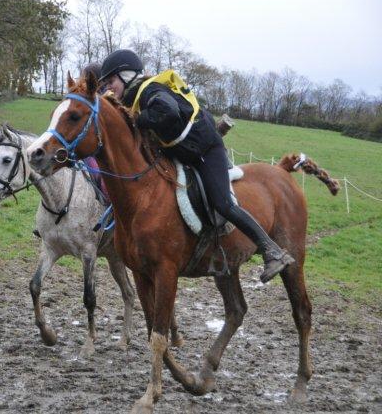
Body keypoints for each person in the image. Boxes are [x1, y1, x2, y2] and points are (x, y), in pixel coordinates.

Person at [98, 49, 294, 282]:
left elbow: (168, 112)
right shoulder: (134, 99)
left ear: (127, 75)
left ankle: (271, 249)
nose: (110, 88)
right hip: (182, 153)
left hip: (207, 152)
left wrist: (137, 120)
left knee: (223, 203)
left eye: (111, 82)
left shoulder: (151, 90)